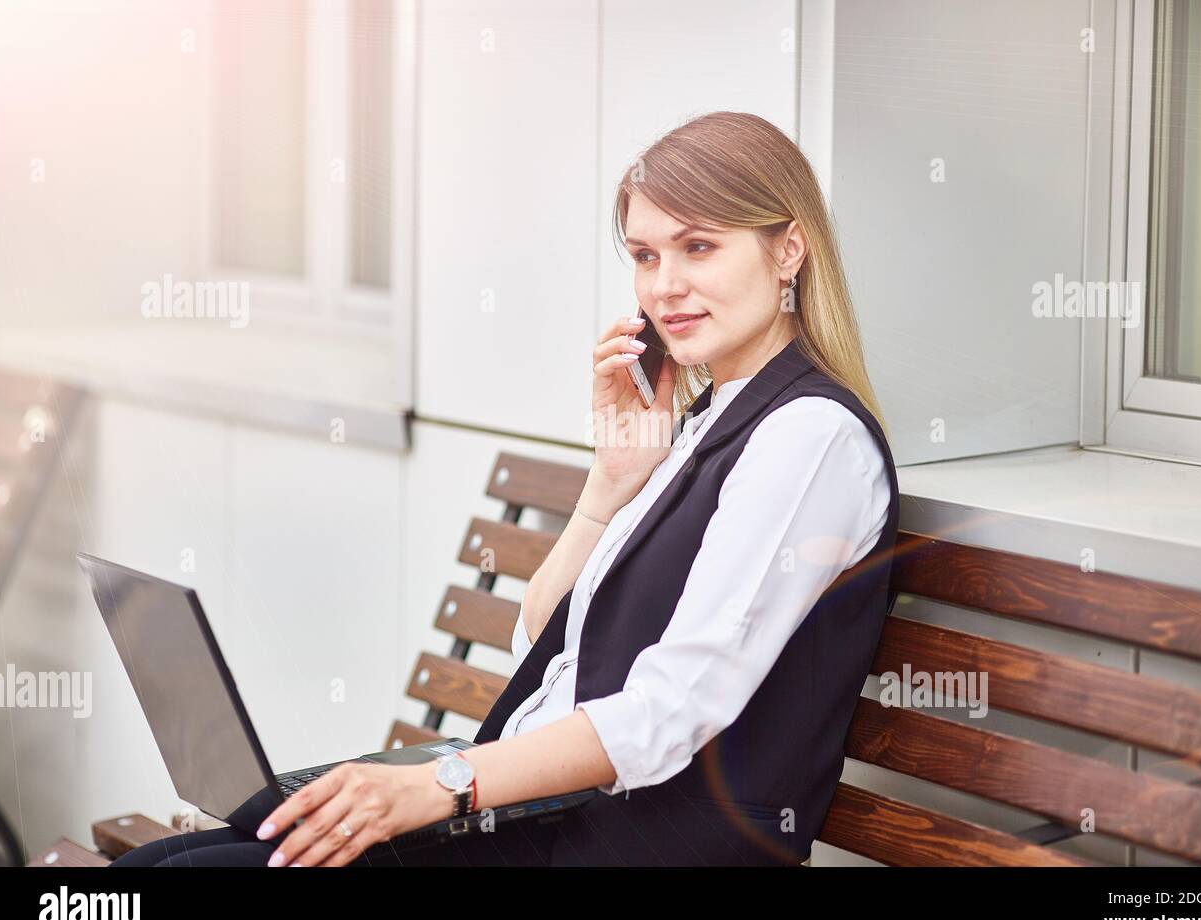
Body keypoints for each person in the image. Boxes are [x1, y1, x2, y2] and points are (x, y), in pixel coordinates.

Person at [113, 110, 898, 868]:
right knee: (161, 859)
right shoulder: (706, 421)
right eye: (646, 255)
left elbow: (672, 711)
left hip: (623, 842)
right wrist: (610, 486)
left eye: (699, 247)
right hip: (534, 813)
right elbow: (548, 644)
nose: (666, 286)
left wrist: (437, 787)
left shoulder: (808, 437)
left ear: (788, 250)